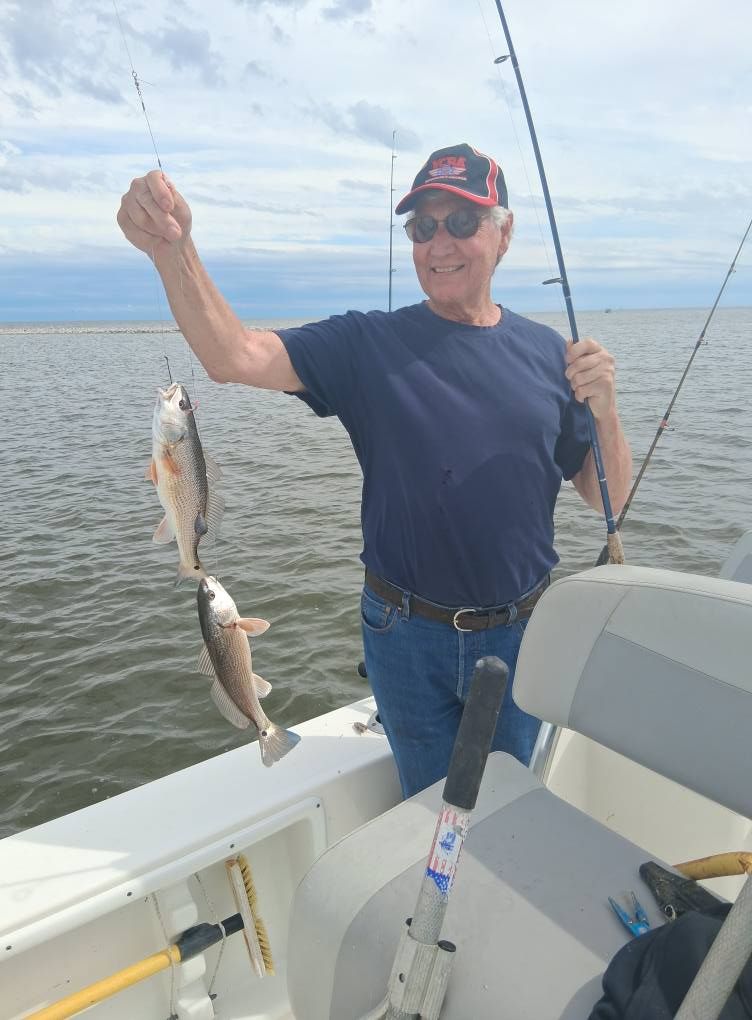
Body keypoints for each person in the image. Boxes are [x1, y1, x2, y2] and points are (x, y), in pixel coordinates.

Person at [118, 142, 632, 798]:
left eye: (461, 222)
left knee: (507, 800)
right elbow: (235, 355)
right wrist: (173, 250)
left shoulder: (549, 354)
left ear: (503, 235)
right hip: (403, 633)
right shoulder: (368, 344)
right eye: (423, 227)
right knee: (425, 803)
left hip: (520, 631)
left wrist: (608, 409)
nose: (439, 242)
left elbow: (604, 496)